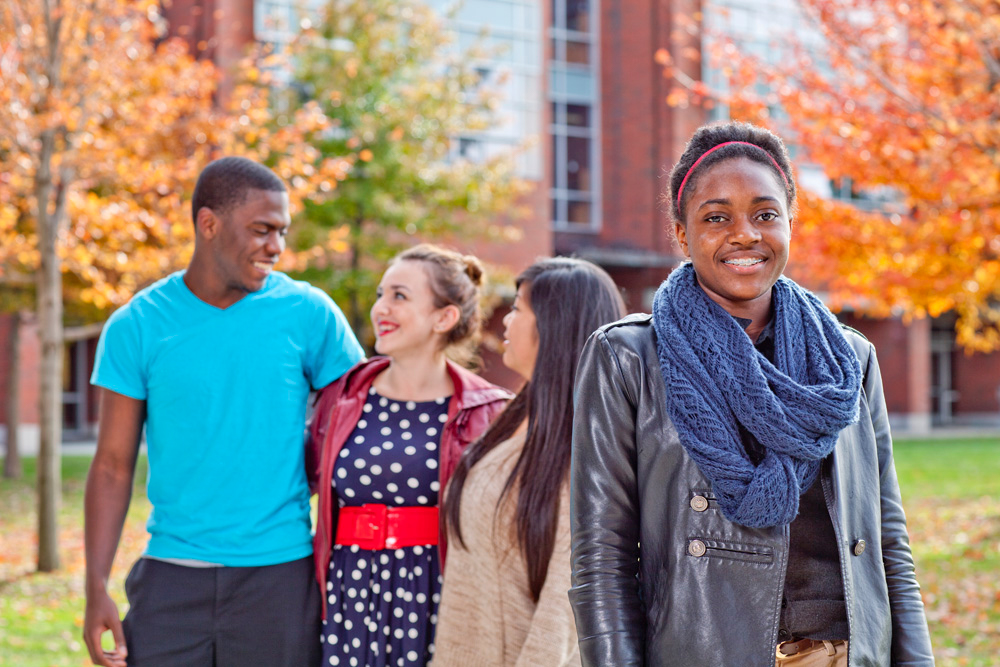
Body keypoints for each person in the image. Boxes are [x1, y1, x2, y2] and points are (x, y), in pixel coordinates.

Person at [568, 122, 934, 666]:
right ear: (682, 234)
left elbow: (886, 542)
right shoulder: (630, 358)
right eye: (717, 217)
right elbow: (603, 560)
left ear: (790, 225)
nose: (745, 234)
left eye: (765, 214)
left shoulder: (847, 360)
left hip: (855, 652)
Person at [83, 157, 365, 667]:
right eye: (262, 230)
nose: (276, 247)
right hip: (171, 579)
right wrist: (95, 585)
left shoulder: (311, 314)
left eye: (281, 232)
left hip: (279, 577)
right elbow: (111, 465)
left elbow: (359, 427)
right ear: (208, 224)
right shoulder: (138, 324)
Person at [307, 243, 512, 667]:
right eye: (381, 294)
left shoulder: (490, 412)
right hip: (348, 594)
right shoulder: (342, 396)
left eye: (399, 296)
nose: (381, 307)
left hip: (437, 594)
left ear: (444, 317)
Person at [433, 257, 626, 667]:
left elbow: (563, 617)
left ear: (555, 324)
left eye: (519, 307)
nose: (505, 321)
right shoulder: (517, 417)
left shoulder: (587, 451)